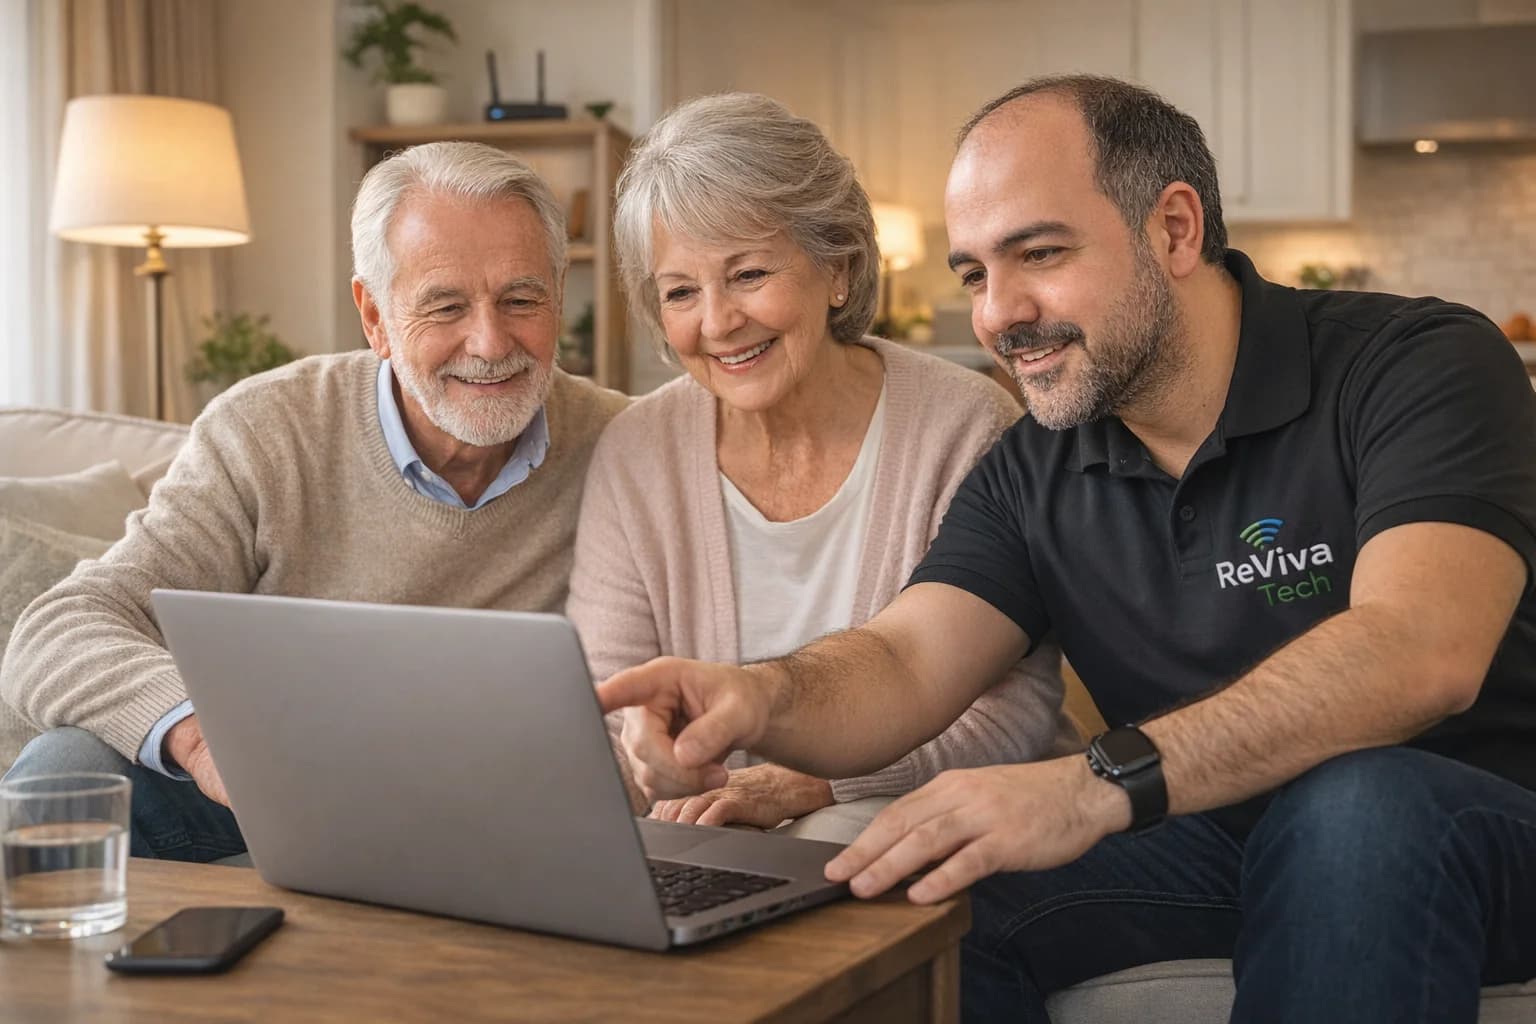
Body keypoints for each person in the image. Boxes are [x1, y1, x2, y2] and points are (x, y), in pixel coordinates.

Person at [597, 74, 1536, 1023]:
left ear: (1175, 230)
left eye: (1038, 253)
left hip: (1472, 834)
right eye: (974, 274)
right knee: (911, 875)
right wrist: (759, 695)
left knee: (1357, 807)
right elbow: (907, 659)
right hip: (1214, 842)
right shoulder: (1036, 464)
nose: (998, 314)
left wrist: (1095, 784)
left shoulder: (1416, 363)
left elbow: (1421, 648)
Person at [1, 141, 629, 862]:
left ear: (558, 294)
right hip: (274, 789)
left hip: (495, 803)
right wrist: (205, 740)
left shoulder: (625, 445)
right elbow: (59, 628)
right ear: (374, 315)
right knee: (64, 770)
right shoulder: (267, 429)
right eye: (445, 306)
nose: (489, 343)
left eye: (520, 300)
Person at [567, 93, 1074, 842]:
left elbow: (1011, 714)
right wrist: (649, 767)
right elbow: (607, 718)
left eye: (748, 274)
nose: (717, 322)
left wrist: (814, 783)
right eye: (680, 292)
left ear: (837, 266)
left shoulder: (965, 425)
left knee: (838, 837)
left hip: (952, 825)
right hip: (715, 843)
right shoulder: (637, 450)